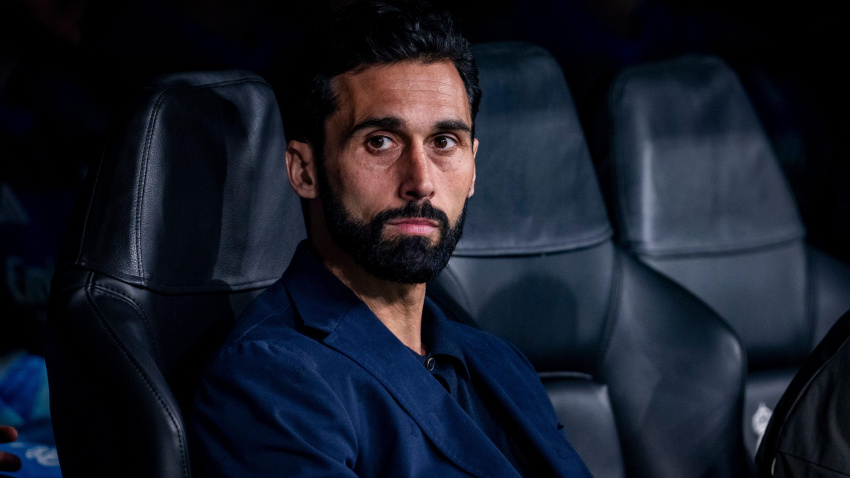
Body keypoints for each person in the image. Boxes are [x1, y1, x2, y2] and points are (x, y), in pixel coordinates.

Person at [190, 1, 591, 476]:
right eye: (381, 141)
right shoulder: (268, 375)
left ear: (474, 166)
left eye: (444, 142)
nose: (420, 180)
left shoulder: (501, 362)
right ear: (304, 170)